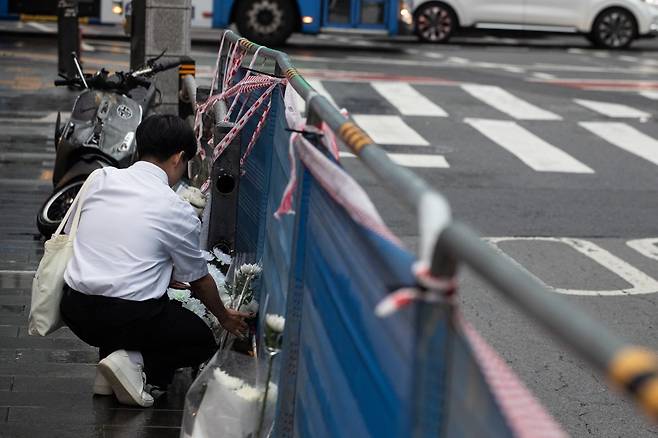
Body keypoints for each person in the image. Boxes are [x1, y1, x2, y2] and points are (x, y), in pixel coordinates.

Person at [60, 114, 249, 407]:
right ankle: (136, 366)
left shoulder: (100, 179)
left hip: (75, 307)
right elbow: (198, 280)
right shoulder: (176, 208)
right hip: (127, 316)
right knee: (199, 340)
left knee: (129, 306)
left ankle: (109, 369)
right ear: (178, 158)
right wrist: (224, 317)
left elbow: (79, 234)